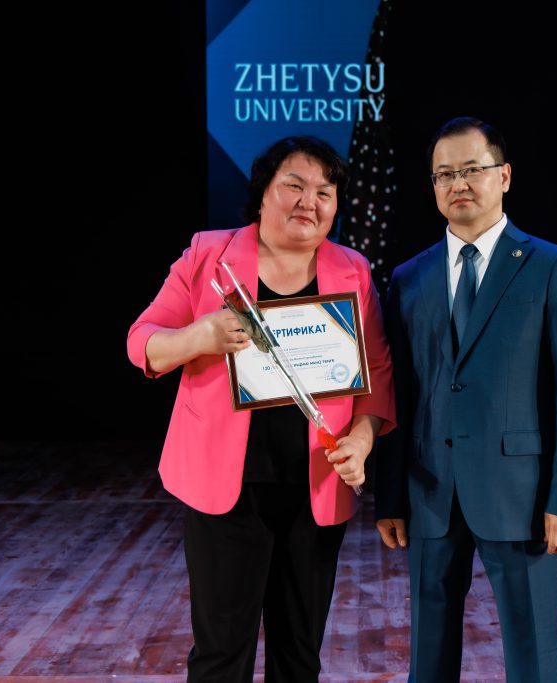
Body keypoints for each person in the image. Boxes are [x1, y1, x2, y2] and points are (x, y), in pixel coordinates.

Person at [127, 135, 395, 683]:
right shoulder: (209, 255)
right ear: (264, 192)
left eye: (325, 192)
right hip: (225, 490)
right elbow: (141, 342)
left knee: (299, 655)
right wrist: (197, 337)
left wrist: (363, 438)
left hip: (315, 487)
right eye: (294, 185)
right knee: (222, 655)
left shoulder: (353, 269)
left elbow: (377, 373)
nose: (309, 201)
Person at [375, 117, 557, 682]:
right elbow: (400, 392)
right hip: (430, 491)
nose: (459, 184)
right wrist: (390, 495)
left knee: (534, 659)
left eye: (472, 169)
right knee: (427, 660)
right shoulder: (409, 278)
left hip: (522, 497)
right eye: (444, 174)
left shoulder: (552, 267)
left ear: (504, 175)